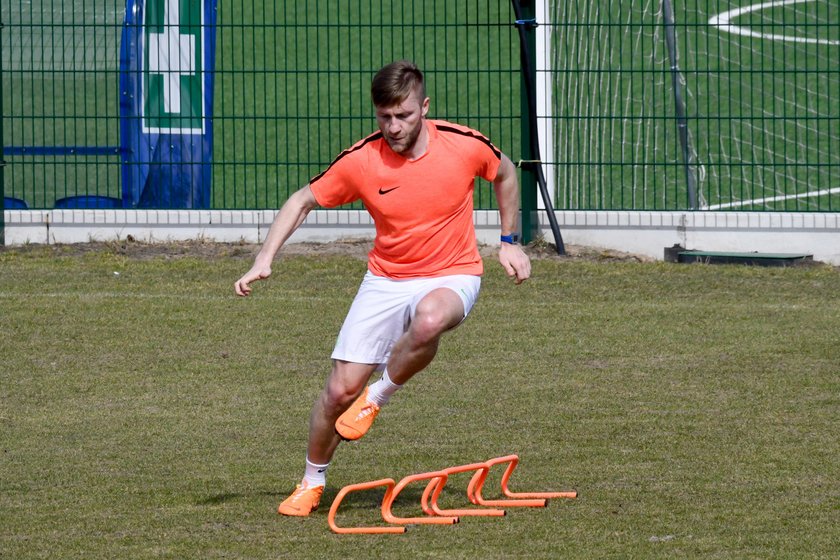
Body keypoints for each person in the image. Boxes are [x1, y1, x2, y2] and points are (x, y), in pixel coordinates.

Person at [234, 60, 531, 517]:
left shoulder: (463, 145)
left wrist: (509, 242)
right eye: (384, 116)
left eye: (404, 116)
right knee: (337, 393)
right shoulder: (362, 160)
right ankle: (312, 481)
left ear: (425, 107)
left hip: (454, 272)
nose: (393, 127)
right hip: (386, 279)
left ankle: (379, 396)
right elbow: (302, 200)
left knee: (430, 319)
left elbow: (506, 174)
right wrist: (264, 259)